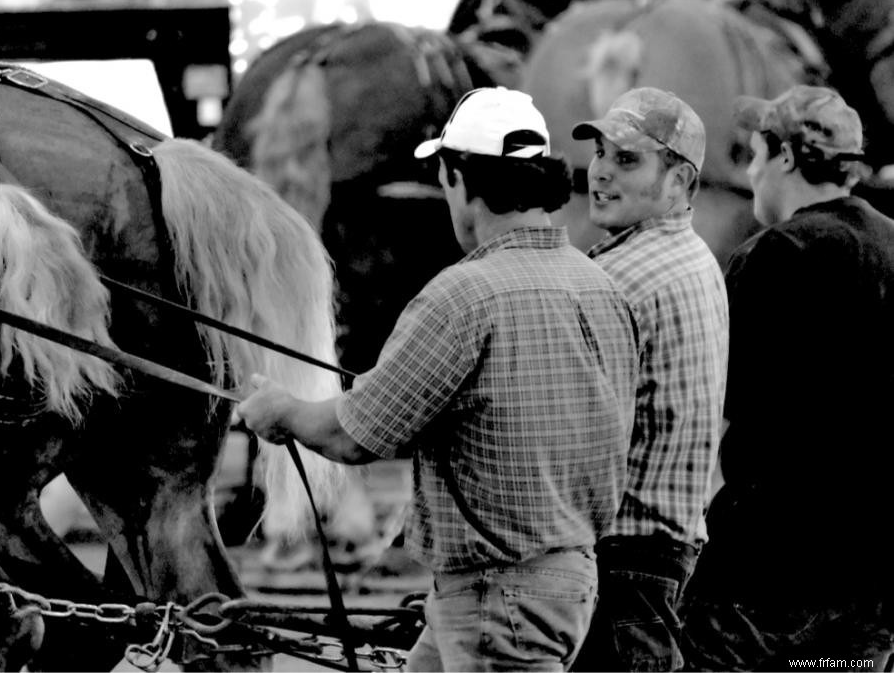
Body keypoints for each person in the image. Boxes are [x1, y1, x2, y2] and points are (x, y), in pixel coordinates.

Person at [238, 87, 640, 672]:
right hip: (568, 579)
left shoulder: (461, 296)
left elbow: (354, 435)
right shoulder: (603, 287)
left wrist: (281, 409)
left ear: (457, 176)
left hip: (494, 598)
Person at [679, 85, 894, 671]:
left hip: (766, 573)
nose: (751, 177)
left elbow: (710, 406)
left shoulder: (776, 253)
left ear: (786, 158)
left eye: (753, 156)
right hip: (872, 580)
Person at [568, 87, 730, 672]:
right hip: (666, 553)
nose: (601, 174)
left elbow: (570, 434)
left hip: (621, 560)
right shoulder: (696, 258)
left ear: (681, 181)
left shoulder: (617, 278)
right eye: (601, 153)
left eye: (627, 159)